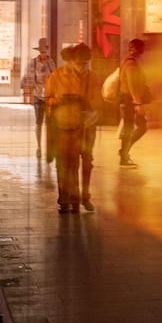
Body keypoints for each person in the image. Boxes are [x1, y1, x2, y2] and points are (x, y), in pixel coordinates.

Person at [45, 43, 102, 213]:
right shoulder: (57, 75)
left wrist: (84, 101)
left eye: (84, 62)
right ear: (70, 59)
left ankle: (81, 197)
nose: (80, 65)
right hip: (62, 125)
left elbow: (98, 102)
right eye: (77, 61)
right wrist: (58, 100)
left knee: (85, 162)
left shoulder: (93, 77)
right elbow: (47, 100)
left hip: (85, 125)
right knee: (64, 162)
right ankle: (64, 199)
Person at [118, 38, 150, 168]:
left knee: (131, 127)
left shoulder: (128, 61)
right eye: (141, 48)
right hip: (130, 100)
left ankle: (124, 153)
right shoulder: (131, 64)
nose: (142, 51)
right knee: (133, 127)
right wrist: (138, 104)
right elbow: (131, 85)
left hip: (129, 100)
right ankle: (123, 156)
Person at [22, 38, 56, 158]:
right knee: (39, 122)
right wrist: (29, 95)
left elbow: (55, 76)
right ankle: (39, 146)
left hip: (49, 95)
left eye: (45, 51)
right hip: (38, 95)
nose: (44, 54)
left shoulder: (51, 62)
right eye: (42, 51)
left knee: (50, 122)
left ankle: (49, 147)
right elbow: (29, 79)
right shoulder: (33, 63)